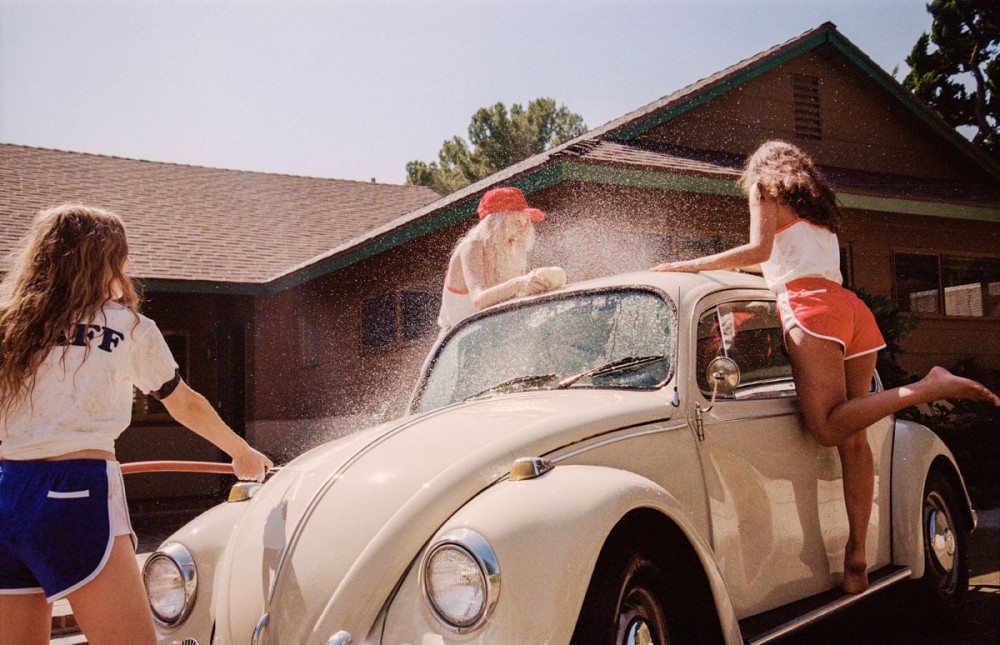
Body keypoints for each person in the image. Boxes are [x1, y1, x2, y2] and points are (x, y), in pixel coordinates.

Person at [653, 140, 999, 594]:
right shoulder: (812, 209)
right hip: (849, 309)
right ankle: (856, 556)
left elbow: (759, 251)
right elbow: (781, 261)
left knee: (827, 429)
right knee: (854, 440)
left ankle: (927, 387)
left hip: (811, 311)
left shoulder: (763, 188)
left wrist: (689, 264)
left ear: (758, 170)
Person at [0, 204, 273, 644]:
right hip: (76, 492)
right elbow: (182, 403)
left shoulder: (8, 322)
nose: (128, 266)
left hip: (7, 492)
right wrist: (241, 451)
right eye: (122, 256)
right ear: (103, 261)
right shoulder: (127, 326)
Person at [438, 187, 562, 332]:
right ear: (493, 223)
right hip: (456, 339)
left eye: (525, 222)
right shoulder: (472, 247)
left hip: (488, 333)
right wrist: (519, 283)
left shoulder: (509, 250)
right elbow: (479, 300)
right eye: (516, 221)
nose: (523, 229)